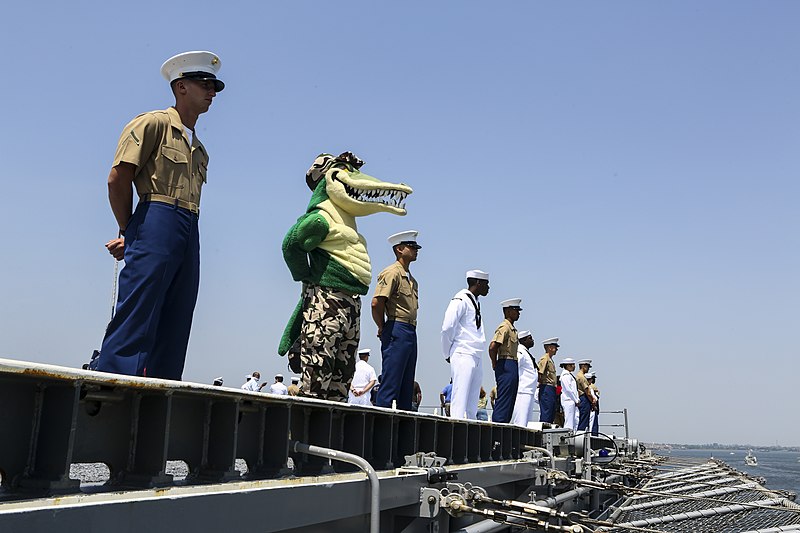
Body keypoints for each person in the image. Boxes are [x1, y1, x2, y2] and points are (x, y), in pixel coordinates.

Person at [96, 51, 225, 381]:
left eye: (214, 86)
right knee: (141, 304)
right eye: (204, 84)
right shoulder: (152, 123)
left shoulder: (200, 148)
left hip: (189, 224)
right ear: (181, 87)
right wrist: (129, 230)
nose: (211, 92)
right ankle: (115, 379)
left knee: (179, 309)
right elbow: (118, 178)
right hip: (156, 215)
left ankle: (163, 383)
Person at [372, 230, 421, 410]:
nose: (416, 250)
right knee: (391, 382)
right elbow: (377, 303)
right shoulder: (392, 273)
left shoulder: (411, 279)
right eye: (412, 247)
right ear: (400, 249)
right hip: (396, 327)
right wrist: (382, 326)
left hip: (410, 330)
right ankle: (382, 429)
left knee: (406, 386)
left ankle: (402, 432)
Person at [441, 269, 490, 420]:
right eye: (486, 284)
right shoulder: (461, 299)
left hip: (476, 354)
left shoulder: (474, 301)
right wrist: (447, 353)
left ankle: (470, 434)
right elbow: (447, 327)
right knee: (460, 398)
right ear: (478, 282)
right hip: (463, 352)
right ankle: (457, 431)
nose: (489, 288)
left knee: (472, 403)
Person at [489, 298, 522, 423]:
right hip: (505, 363)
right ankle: (498, 426)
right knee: (504, 398)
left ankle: (505, 425)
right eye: (516, 310)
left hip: (512, 363)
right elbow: (493, 347)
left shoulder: (512, 328)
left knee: (510, 398)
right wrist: (494, 363)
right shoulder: (504, 327)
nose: (518, 313)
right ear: (508, 311)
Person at [511, 331, 539, 427]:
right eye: (530, 338)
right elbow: (514, 368)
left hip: (529, 391)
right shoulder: (520, 352)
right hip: (523, 391)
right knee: (521, 421)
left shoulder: (526, 352)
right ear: (523, 340)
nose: (532, 340)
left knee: (527, 422)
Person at [537, 338, 559, 423]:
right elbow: (540, 373)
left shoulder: (550, 359)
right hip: (546, 387)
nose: (556, 349)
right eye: (555, 347)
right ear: (549, 347)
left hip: (551, 389)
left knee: (551, 412)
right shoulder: (545, 359)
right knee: (546, 412)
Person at [576, 359, 596, 431]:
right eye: (587, 367)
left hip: (583, 398)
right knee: (584, 421)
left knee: (585, 420)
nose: (588, 369)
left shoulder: (580, 376)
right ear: (583, 366)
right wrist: (593, 401)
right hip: (584, 398)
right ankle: (581, 436)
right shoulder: (581, 377)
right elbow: (587, 391)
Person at [559, 358, 579, 430]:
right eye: (572, 365)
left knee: (574, 420)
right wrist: (576, 400)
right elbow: (568, 390)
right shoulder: (565, 376)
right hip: (568, 400)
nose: (574, 366)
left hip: (571, 400)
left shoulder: (569, 375)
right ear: (567, 366)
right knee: (569, 421)